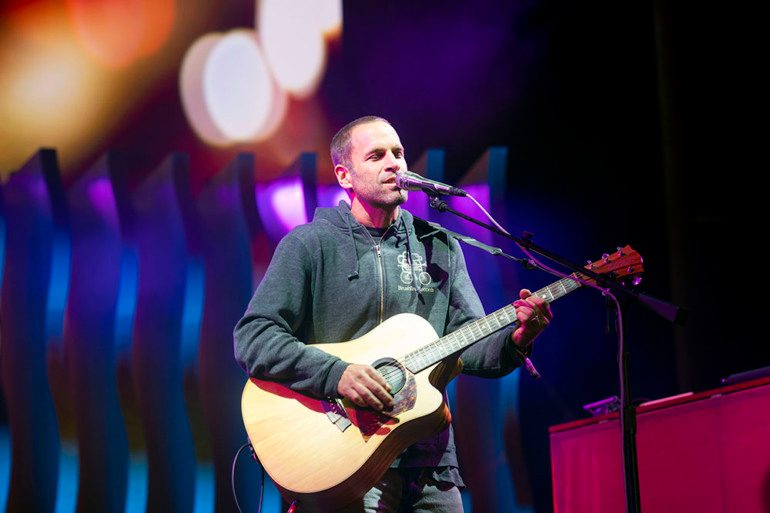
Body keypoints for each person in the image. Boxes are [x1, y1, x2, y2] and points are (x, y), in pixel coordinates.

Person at [234, 115, 552, 512]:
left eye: (398, 153)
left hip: (431, 461)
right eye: (377, 155)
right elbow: (254, 336)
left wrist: (516, 340)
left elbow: (471, 343)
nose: (394, 163)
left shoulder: (438, 247)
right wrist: (337, 374)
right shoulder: (309, 244)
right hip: (345, 459)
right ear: (344, 176)